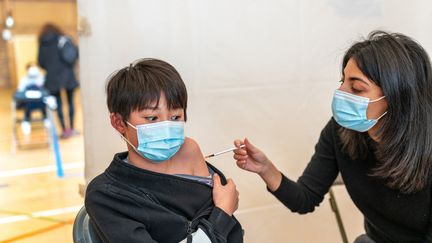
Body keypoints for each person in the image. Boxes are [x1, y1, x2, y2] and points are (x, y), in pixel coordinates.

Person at [233, 31, 432, 243]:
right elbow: (305, 198)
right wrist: (265, 169)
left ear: (397, 96)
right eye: (343, 82)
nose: (341, 92)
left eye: (356, 88)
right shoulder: (340, 131)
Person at [85, 58, 244, 242]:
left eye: (175, 116)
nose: (166, 127)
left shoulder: (189, 150)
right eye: (152, 118)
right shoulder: (106, 195)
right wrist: (222, 214)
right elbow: (221, 216)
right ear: (119, 122)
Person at [38, 23, 79, 139]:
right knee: (70, 103)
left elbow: (41, 62)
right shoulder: (63, 39)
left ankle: (64, 130)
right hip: (67, 76)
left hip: (52, 78)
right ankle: (71, 128)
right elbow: (71, 58)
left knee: (58, 105)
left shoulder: (42, 43)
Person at [16, 62, 49, 135]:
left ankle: (46, 118)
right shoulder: (24, 80)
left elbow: (46, 91)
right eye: (31, 67)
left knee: (44, 101)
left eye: (35, 67)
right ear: (27, 69)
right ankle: (26, 120)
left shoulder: (42, 78)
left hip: (41, 102)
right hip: (28, 103)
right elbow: (20, 92)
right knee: (27, 103)